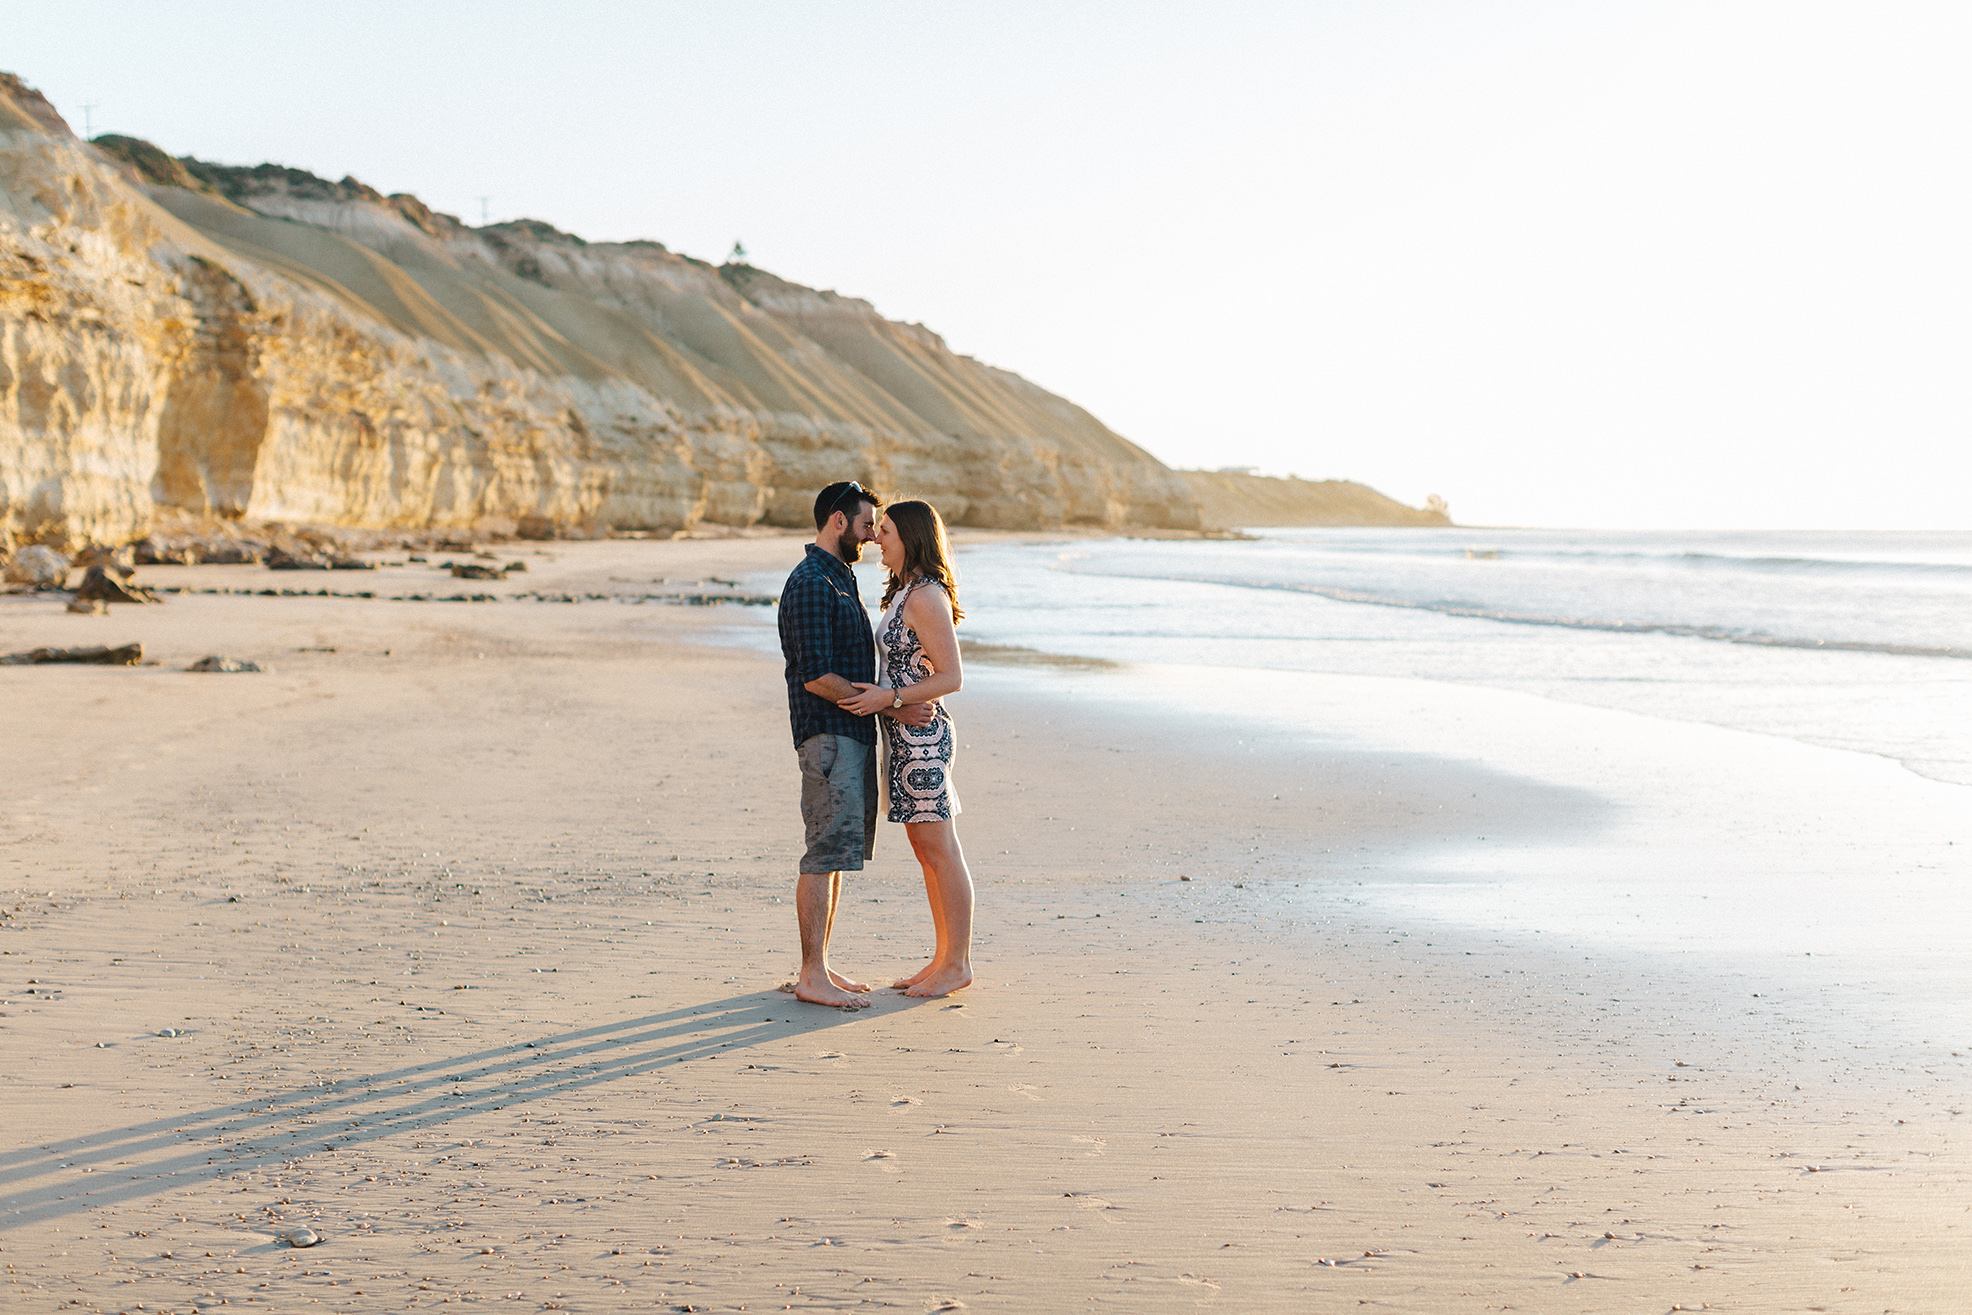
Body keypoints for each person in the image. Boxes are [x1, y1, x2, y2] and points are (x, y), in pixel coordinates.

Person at [778, 481, 933, 1009]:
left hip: (847, 736)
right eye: (868, 524)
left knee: (837, 854)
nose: (872, 535)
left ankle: (819, 966)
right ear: (838, 522)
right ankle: (809, 974)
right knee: (823, 854)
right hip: (827, 737)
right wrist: (893, 705)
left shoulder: (837, 577)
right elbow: (817, 675)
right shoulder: (811, 582)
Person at [839, 499, 975, 998]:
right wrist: (890, 706)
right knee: (925, 851)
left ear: (912, 538)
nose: (877, 538)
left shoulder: (925, 597)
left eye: (888, 531)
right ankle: (942, 958)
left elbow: (951, 677)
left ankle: (958, 964)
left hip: (924, 739)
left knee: (941, 849)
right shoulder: (906, 593)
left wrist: (891, 699)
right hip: (902, 733)